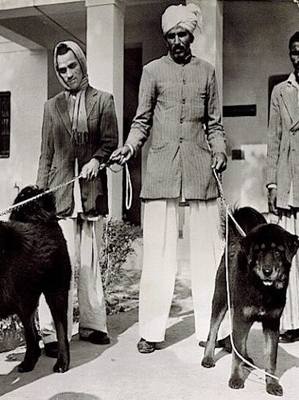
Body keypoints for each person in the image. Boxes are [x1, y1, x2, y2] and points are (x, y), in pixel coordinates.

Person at [110, 3, 229, 353]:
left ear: (191, 36)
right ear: (166, 37)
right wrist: (130, 147)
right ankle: (151, 331)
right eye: (171, 35)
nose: (177, 40)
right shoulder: (152, 72)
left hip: (199, 172)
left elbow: (215, 124)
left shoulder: (207, 73)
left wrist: (219, 151)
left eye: (183, 34)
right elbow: (141, 120)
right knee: (158, 255)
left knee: (208, 253)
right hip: (161, 172)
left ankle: (211, 328)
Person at [36, 41, 119, 357]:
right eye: (62, 69)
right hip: (59, 196)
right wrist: (39, 198)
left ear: (82, 65)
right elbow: (46, 155)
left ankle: (93, 325)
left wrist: (98, 158)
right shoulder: (51, 106)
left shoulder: (103, 101)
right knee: (58, 267)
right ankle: (53, 333)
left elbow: (110, 142)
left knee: (90, 262)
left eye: (72, 66)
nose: (68, 73)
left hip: (91, 193)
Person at [266, 31, 299, 344]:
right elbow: (274, 139)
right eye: (294, 52)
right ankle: (291, 323)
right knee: (289, 256)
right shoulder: (280, 92)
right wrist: (272, 183)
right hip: (289, 182)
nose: (297, 58)